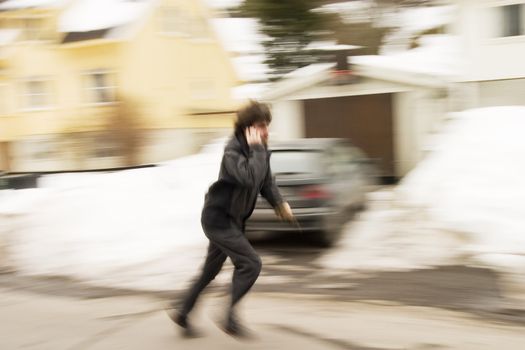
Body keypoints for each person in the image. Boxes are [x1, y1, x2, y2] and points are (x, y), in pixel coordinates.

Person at [167, 100, 294, 337]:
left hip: (232, 220)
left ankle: (182, 312)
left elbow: (265, 181)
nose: (265, 131)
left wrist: (279, 202)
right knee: (250, 263)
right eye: (260, 125)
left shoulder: (259, 150)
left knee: (210, 271)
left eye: (267, 125)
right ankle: (228, 317)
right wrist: (257, 150)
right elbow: (248, 177)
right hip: (218, 219)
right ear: (247, 127)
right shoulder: (233, 151)